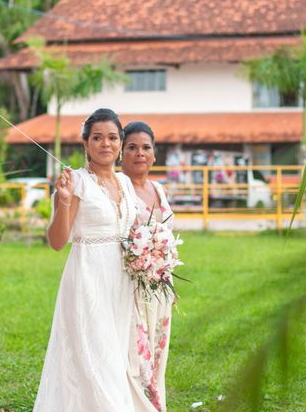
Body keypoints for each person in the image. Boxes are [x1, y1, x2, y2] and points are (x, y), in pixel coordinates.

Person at [34, 108, 144, 411]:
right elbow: (57, 242)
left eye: (112, 137)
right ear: (86, 143)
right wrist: (65, 200)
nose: (105, 144)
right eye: (97, 137)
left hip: (120, 281)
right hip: (88, 278)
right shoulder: (76, 181)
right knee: (94, 356)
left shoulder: (125, 183)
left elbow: (132, 231)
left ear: (121, 142)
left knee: (112, 354)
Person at [122, 121, 174, 412]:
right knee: (134, 355)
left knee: (157, 354)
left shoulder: (159, 189)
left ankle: (156, 406)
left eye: (145, 147)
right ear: (121, 153)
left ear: (154, 154)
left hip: (161, 288)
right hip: (130, 286)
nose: (139, 153)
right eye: (132, 147)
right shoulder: (117, 188)